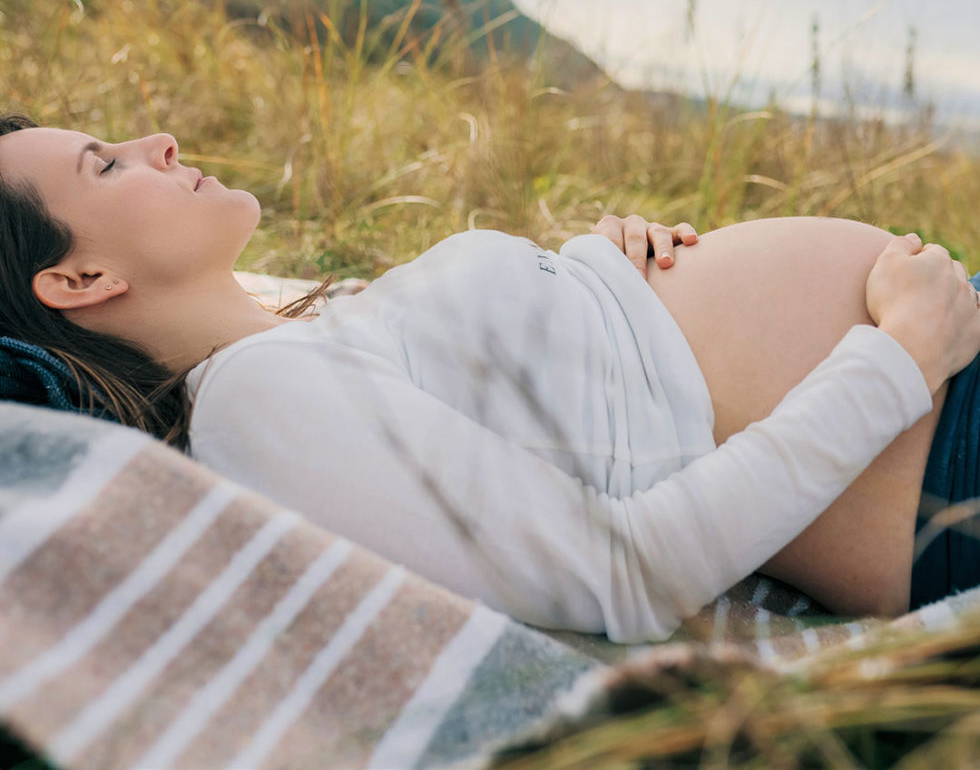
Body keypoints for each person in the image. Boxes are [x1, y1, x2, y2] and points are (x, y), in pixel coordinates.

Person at [1, 115, 979, 643]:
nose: (157, 141)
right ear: (81, 278)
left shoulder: (310, 332)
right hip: (939, 444)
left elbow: (554, 410)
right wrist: (896, 354)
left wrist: (595, 274)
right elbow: (627, 574)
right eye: (106, 161)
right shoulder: (250, 402)